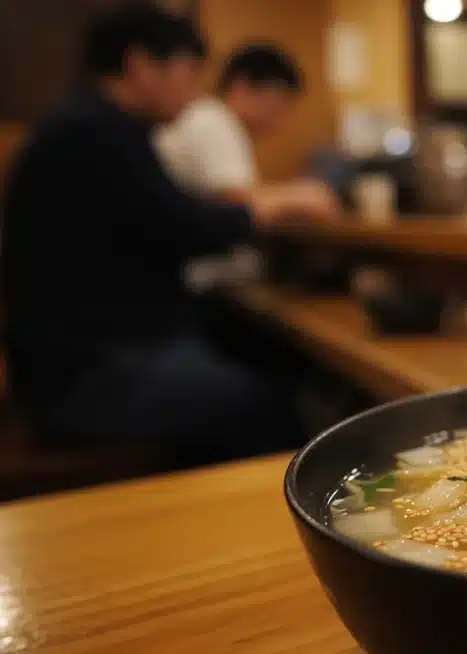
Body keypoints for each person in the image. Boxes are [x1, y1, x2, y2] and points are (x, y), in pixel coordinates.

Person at [0, 4, 312, 457]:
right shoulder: (93, 134)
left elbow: (166, 222)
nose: (193, 94)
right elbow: (184, 226)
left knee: (260, 355)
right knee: (270, 407)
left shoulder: (93, 125)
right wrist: (268, 208)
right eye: (188, 73)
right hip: (85, 374)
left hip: (86, 355)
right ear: (141, 65)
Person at [157, 42, 337, 291]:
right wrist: (304, 195)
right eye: (277, 107)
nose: (281, 121)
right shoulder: (213, 121)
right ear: (241, 86)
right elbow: (239, 201)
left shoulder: (207, 117)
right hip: (183, 277)